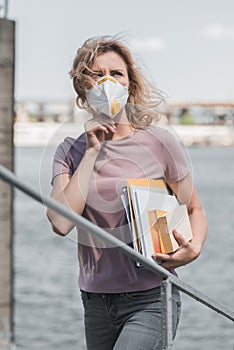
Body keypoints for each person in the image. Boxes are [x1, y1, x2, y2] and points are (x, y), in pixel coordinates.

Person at [46, 35, 208, 350]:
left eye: (116, 74)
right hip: (95, 301)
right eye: (96, 74)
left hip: (152, 296)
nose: (107, 82)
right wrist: (92, 153)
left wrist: (194, 248)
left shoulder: (160, 142)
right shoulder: (69, 151)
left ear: (130, 85)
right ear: (83, 87)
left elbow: (194, 209)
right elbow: (60, 223)